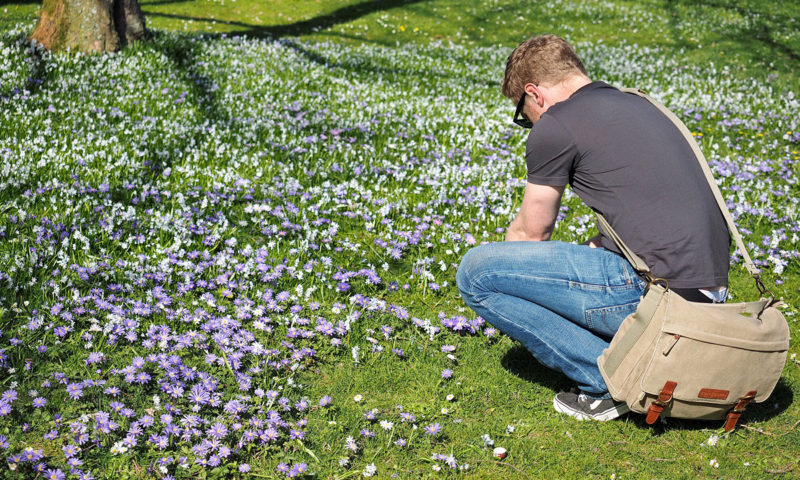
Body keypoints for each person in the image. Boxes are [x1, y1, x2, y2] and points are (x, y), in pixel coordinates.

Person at [455, 34, 731, 421]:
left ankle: (606, 382)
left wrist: (513, 283)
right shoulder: (640, 103)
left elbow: (531, 238)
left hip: (659, 300)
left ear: (534, 94)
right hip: (710, 296)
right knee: (587, 253)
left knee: (477, 273)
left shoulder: (556, 125)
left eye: (523, 113)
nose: (529, 122)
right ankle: (633, 354)